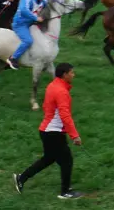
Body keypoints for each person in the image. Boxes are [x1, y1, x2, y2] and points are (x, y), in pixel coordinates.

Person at [13, 63, 83, 199]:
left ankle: (21, 178)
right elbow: (65, 115)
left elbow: (46, 106)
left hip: (47, 130)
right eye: (72, 72)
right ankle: (65, 192)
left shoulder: (53, 86)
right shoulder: (61, 91)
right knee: (67, 160)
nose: (73, 75)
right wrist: (75, 136)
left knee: (48, 159)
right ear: (65, 74)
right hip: (53, 132)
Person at [6, 0, 48, 70]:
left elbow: (50, 4)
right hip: (20, 24)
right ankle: (13, 58)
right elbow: (24, 10)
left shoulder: (42, 1)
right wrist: (36, 18)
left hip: (31, 24)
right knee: (28, 40)